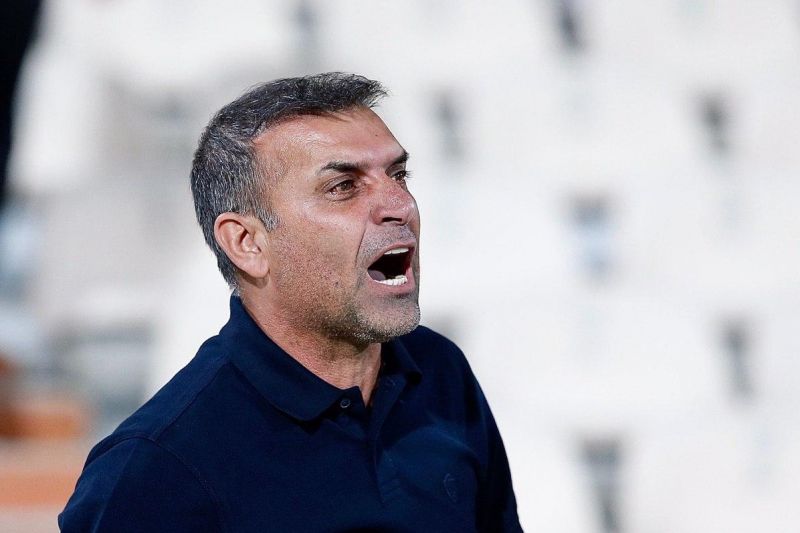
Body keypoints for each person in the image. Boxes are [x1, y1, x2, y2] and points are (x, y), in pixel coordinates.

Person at [59, 72, 522, 532]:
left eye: (398, 175)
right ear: (247, 243)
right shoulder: (158, 468)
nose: (400, 205)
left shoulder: (439, 371)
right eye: (343, 186)